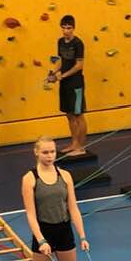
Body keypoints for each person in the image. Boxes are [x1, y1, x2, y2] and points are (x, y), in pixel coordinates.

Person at [47, 15, 87, 157]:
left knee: (78, 115)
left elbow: (79, 65)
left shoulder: (78, 43)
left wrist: (63, 76)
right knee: (69, 115)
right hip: (64, 84)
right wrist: (53, 73)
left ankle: (81, 147)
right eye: (63, 28)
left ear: (73, 28)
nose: (66, 31)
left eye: (69, 28)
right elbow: (61, 61)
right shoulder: (60, 42)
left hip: (76, 83)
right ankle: (74, 143)